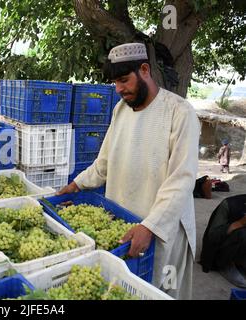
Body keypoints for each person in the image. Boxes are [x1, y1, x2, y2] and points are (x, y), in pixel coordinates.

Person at [58, 43, 199, 299]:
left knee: (162, 291)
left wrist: (150, 226)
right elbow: (104, 163)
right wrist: (76, 184)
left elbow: (182, 179)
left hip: (163, 229)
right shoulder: (120, 110)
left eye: (124, 80)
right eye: (115, 82)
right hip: (124, 223)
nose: (119, 89)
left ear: (144, 70)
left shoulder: (180, 112)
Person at [200, 194, 246, 288]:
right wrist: (239, 223)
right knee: (242, 233)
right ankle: (226, 265)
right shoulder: (229, 204)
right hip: (219, 251)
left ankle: (241, 263)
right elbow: (212, 236)